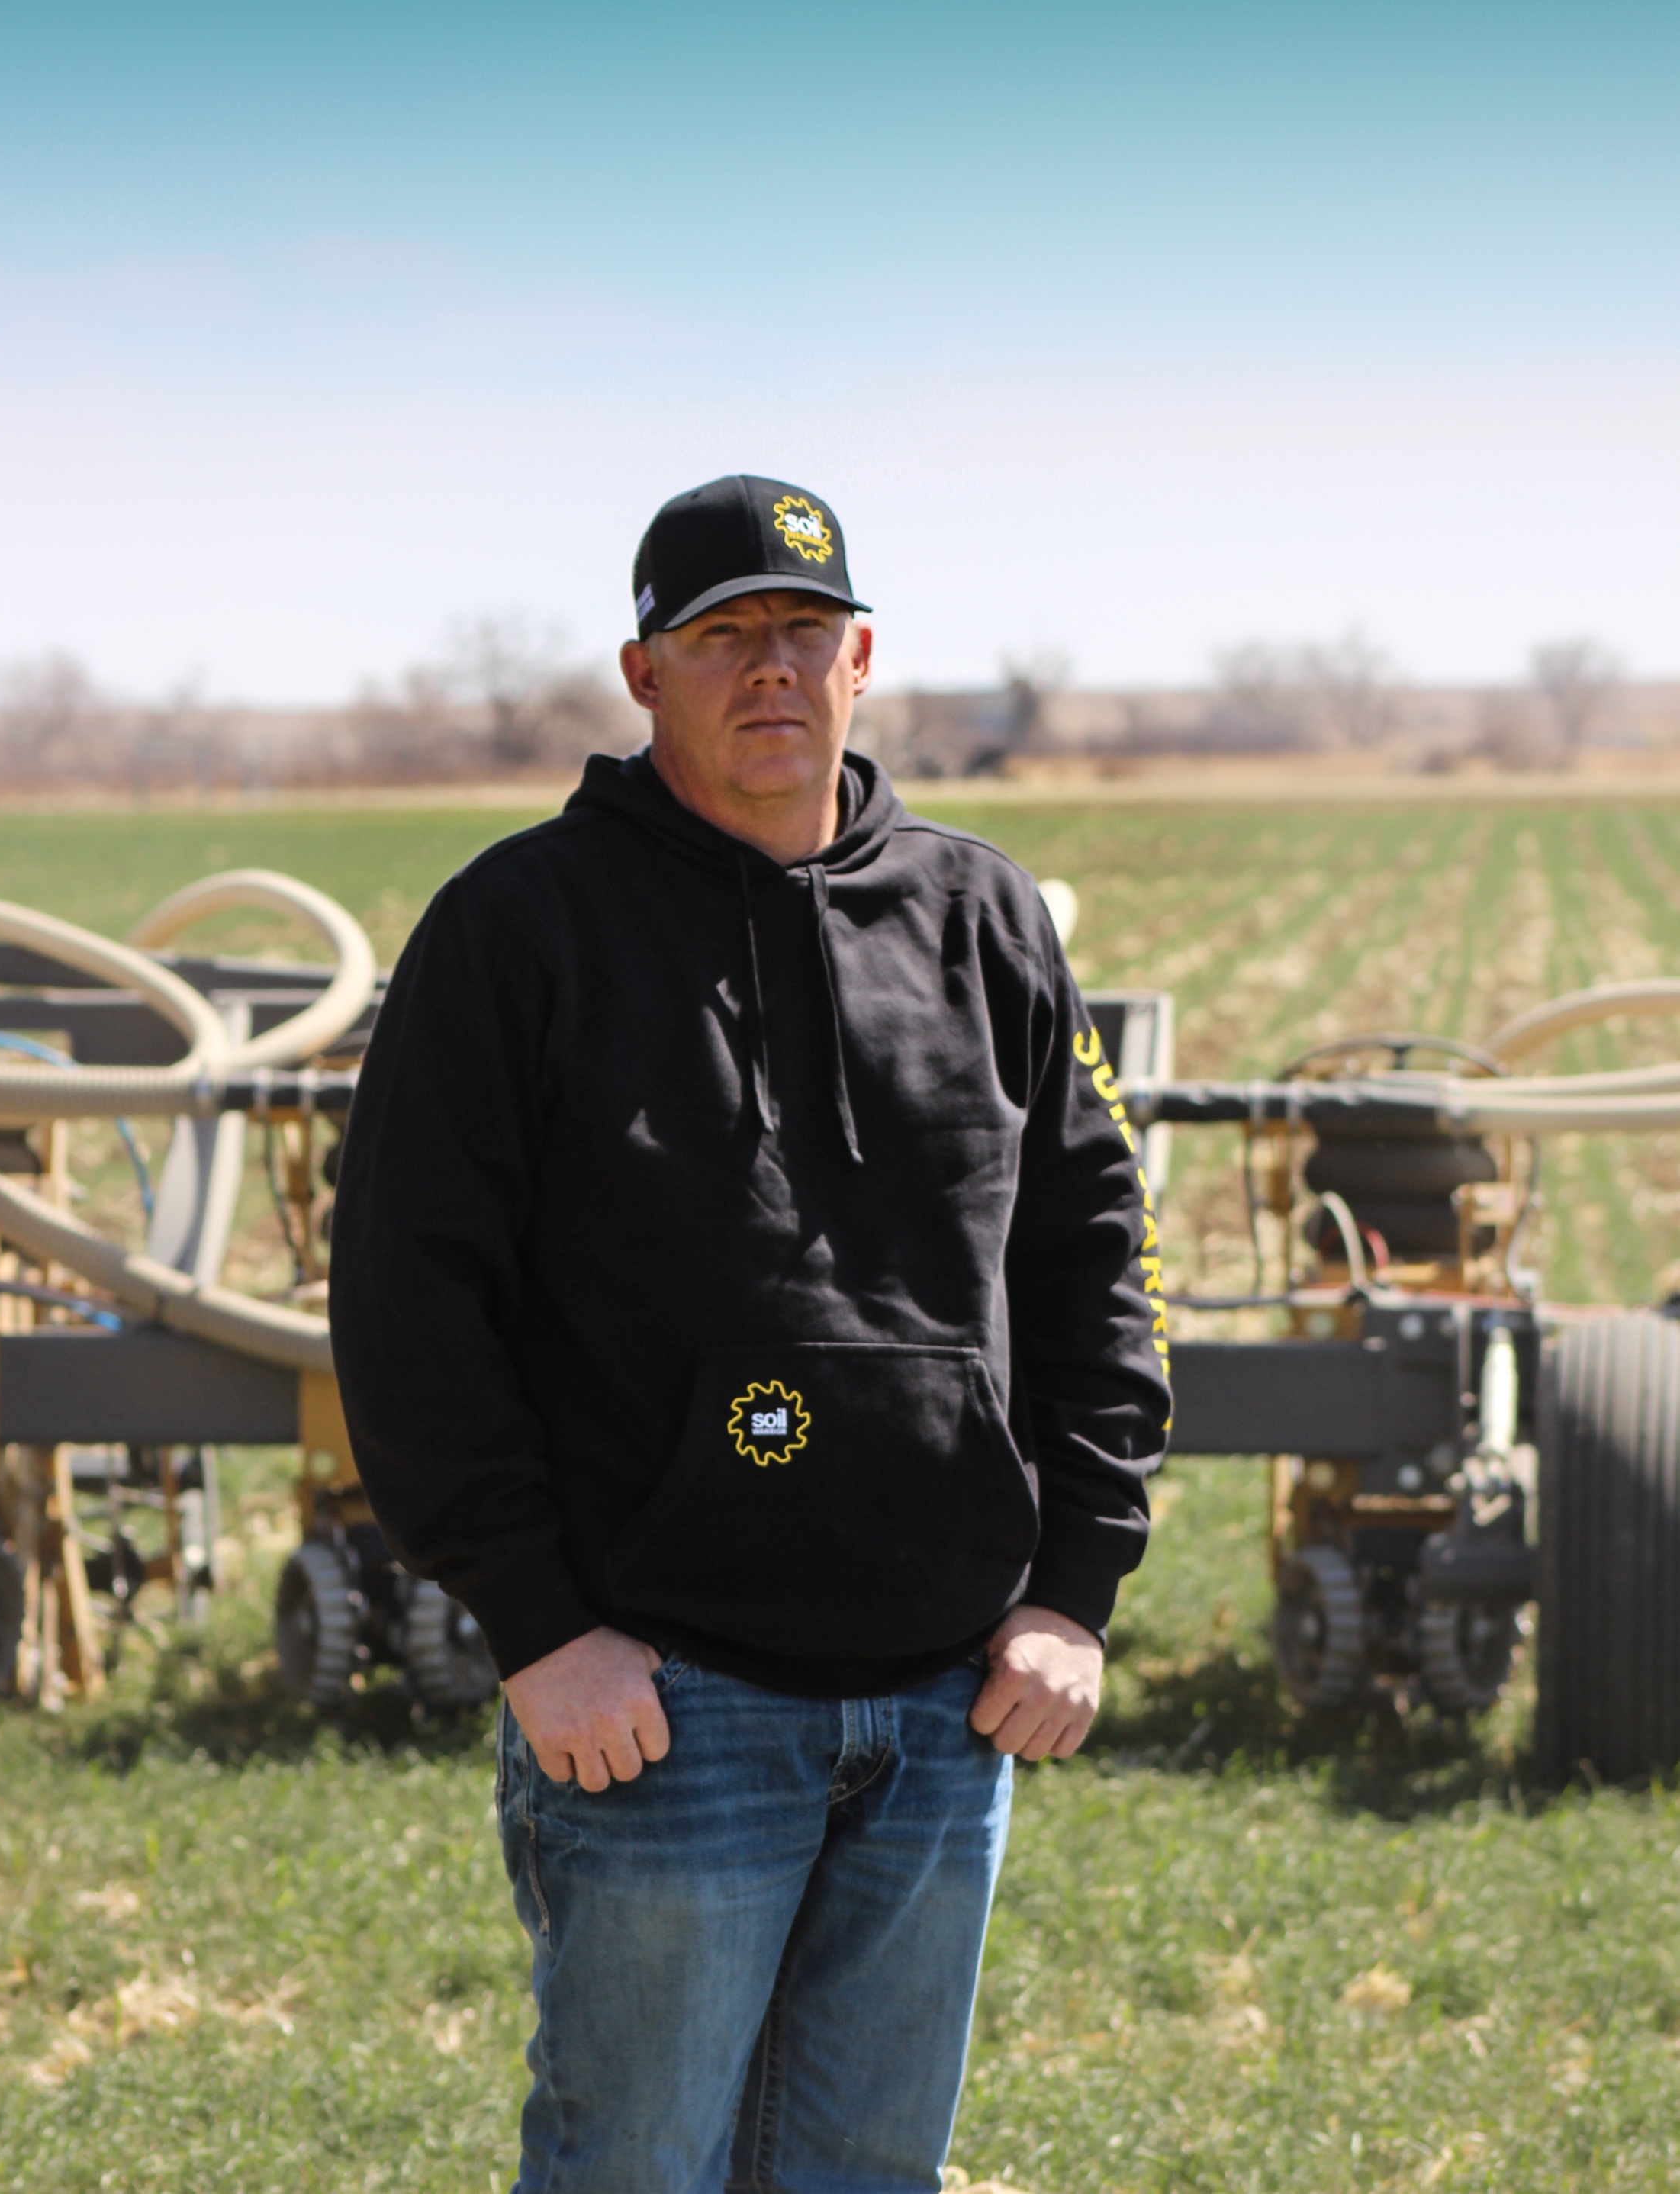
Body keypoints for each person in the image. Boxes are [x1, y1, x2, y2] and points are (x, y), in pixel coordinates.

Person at [330, 471, 1171, 2194]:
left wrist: (1073, 1587)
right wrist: (537, 1620)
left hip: (947, 1700)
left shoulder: (981, 920)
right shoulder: (518, 929)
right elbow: (409, 1296)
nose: (768, 669)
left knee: (866, 2175)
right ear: (644, 677)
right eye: (722, 635)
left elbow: (1093, 1256)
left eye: (801, 631)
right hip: (658, 1695)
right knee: (635, 2168)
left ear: (861, 659)